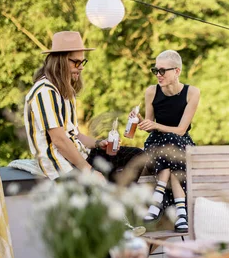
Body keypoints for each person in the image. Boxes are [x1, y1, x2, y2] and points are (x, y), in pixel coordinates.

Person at [24, 31, 145, 183]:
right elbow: (60, 140)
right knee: (104, 184)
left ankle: (114, 196)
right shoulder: (45, 92)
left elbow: (74, 134)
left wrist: (97, 143)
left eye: (83, 62)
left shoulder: (65, 90)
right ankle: (111, 196)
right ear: (60, 61)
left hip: (80, 156)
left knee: (137, 156)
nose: (81, 67)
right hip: (63, 165)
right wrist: (90, 171)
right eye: (76, 62)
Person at [136, 50, 200, 233]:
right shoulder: (151, 91)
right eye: (155, 70)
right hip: (156, 143)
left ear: (177, 71)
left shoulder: (192, 93)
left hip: (181, 141)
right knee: (169, 148)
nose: (158, 74)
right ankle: (181, 212)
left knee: (173, 143)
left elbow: (181, 130)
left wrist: (156, 125)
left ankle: (158, 198)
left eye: (162, 71)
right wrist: (140, 120)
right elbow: (150, 125)